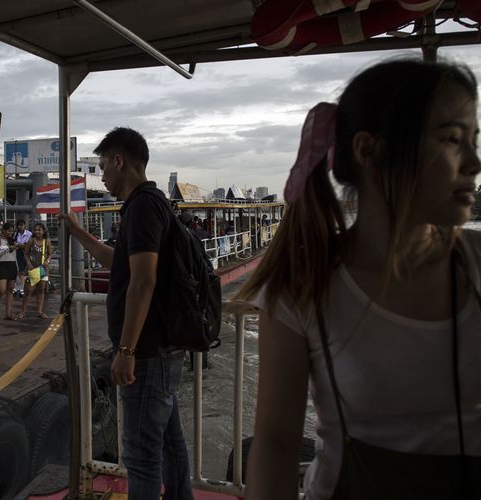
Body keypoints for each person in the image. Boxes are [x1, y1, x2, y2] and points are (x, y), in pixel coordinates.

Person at [238, 59, 481, 500]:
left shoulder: (476, 265)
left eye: (473, 141)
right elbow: (275, 444)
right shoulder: (304, 287)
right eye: (451, 139)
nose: (475, 163)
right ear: (370, 151)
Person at [60, 127, 193, 500]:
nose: (101, 173)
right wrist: (78, 233)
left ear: (119, 161)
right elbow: (120, 263)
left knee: (140, 455)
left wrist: (127, 350)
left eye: (102, 165)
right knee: (169, 443)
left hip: (147, 353)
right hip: (161, 349)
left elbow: (143, 281)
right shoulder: (153, 203)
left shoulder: (142, 206)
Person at [18, 222, 52, 320]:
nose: (37, 231)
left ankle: (40, 311)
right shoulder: (31, 241)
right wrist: (28, 264)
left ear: (43, 231)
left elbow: (50, 254)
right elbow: (26, 253)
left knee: (41, 290)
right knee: (28, 290)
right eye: (35, 230)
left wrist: (47, 261)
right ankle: (23, 311)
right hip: (33, 268)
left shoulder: (47, 241)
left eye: (39, 230)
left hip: (43, 269)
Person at [0, 222, 18, 320]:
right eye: (9, 231)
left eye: (12, 231)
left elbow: (15, 256)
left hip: (12, 265)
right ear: (4, 231)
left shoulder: (13, 241)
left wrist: (17, 269)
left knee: (10, 290)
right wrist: (7, 249)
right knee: (1, 290)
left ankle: (8, 313)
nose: (11, 233)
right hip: (2, 265)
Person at [13, 219, 32, 297]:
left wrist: (19, 245)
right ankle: (16, 288)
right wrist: (20, 245)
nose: (21, 226)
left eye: (22, 225)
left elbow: (27, 245)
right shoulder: (15, 234)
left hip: (24, 253)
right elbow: (14, 243)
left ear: (24, 225)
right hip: (17, 253)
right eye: (19, 225)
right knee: (16, 271)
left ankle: (21, 288)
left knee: (22, 271)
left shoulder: (29, 233)